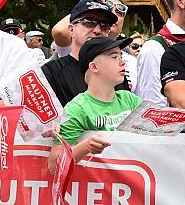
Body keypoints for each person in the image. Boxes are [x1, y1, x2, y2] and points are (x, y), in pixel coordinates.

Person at [48, 36, 144, 173]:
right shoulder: (77, 108)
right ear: (94, 67)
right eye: (114, 57)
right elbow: (54, 166)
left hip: (132, 184)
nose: (123, 62)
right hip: (97, 190)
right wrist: (86, 147)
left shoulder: (129, 99)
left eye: (121, 56)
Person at [42, 0, 130, 106]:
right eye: (89, 22)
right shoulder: (52, 72)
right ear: (71, 30)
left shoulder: (115, 70)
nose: (97, 30)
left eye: (104, 26)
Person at [50, 0, 128, 58]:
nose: (113, 13)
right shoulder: (77, 48)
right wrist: (86, 4)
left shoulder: (131, 61)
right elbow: (60, 32)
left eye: (119, 12)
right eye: (108, 7)